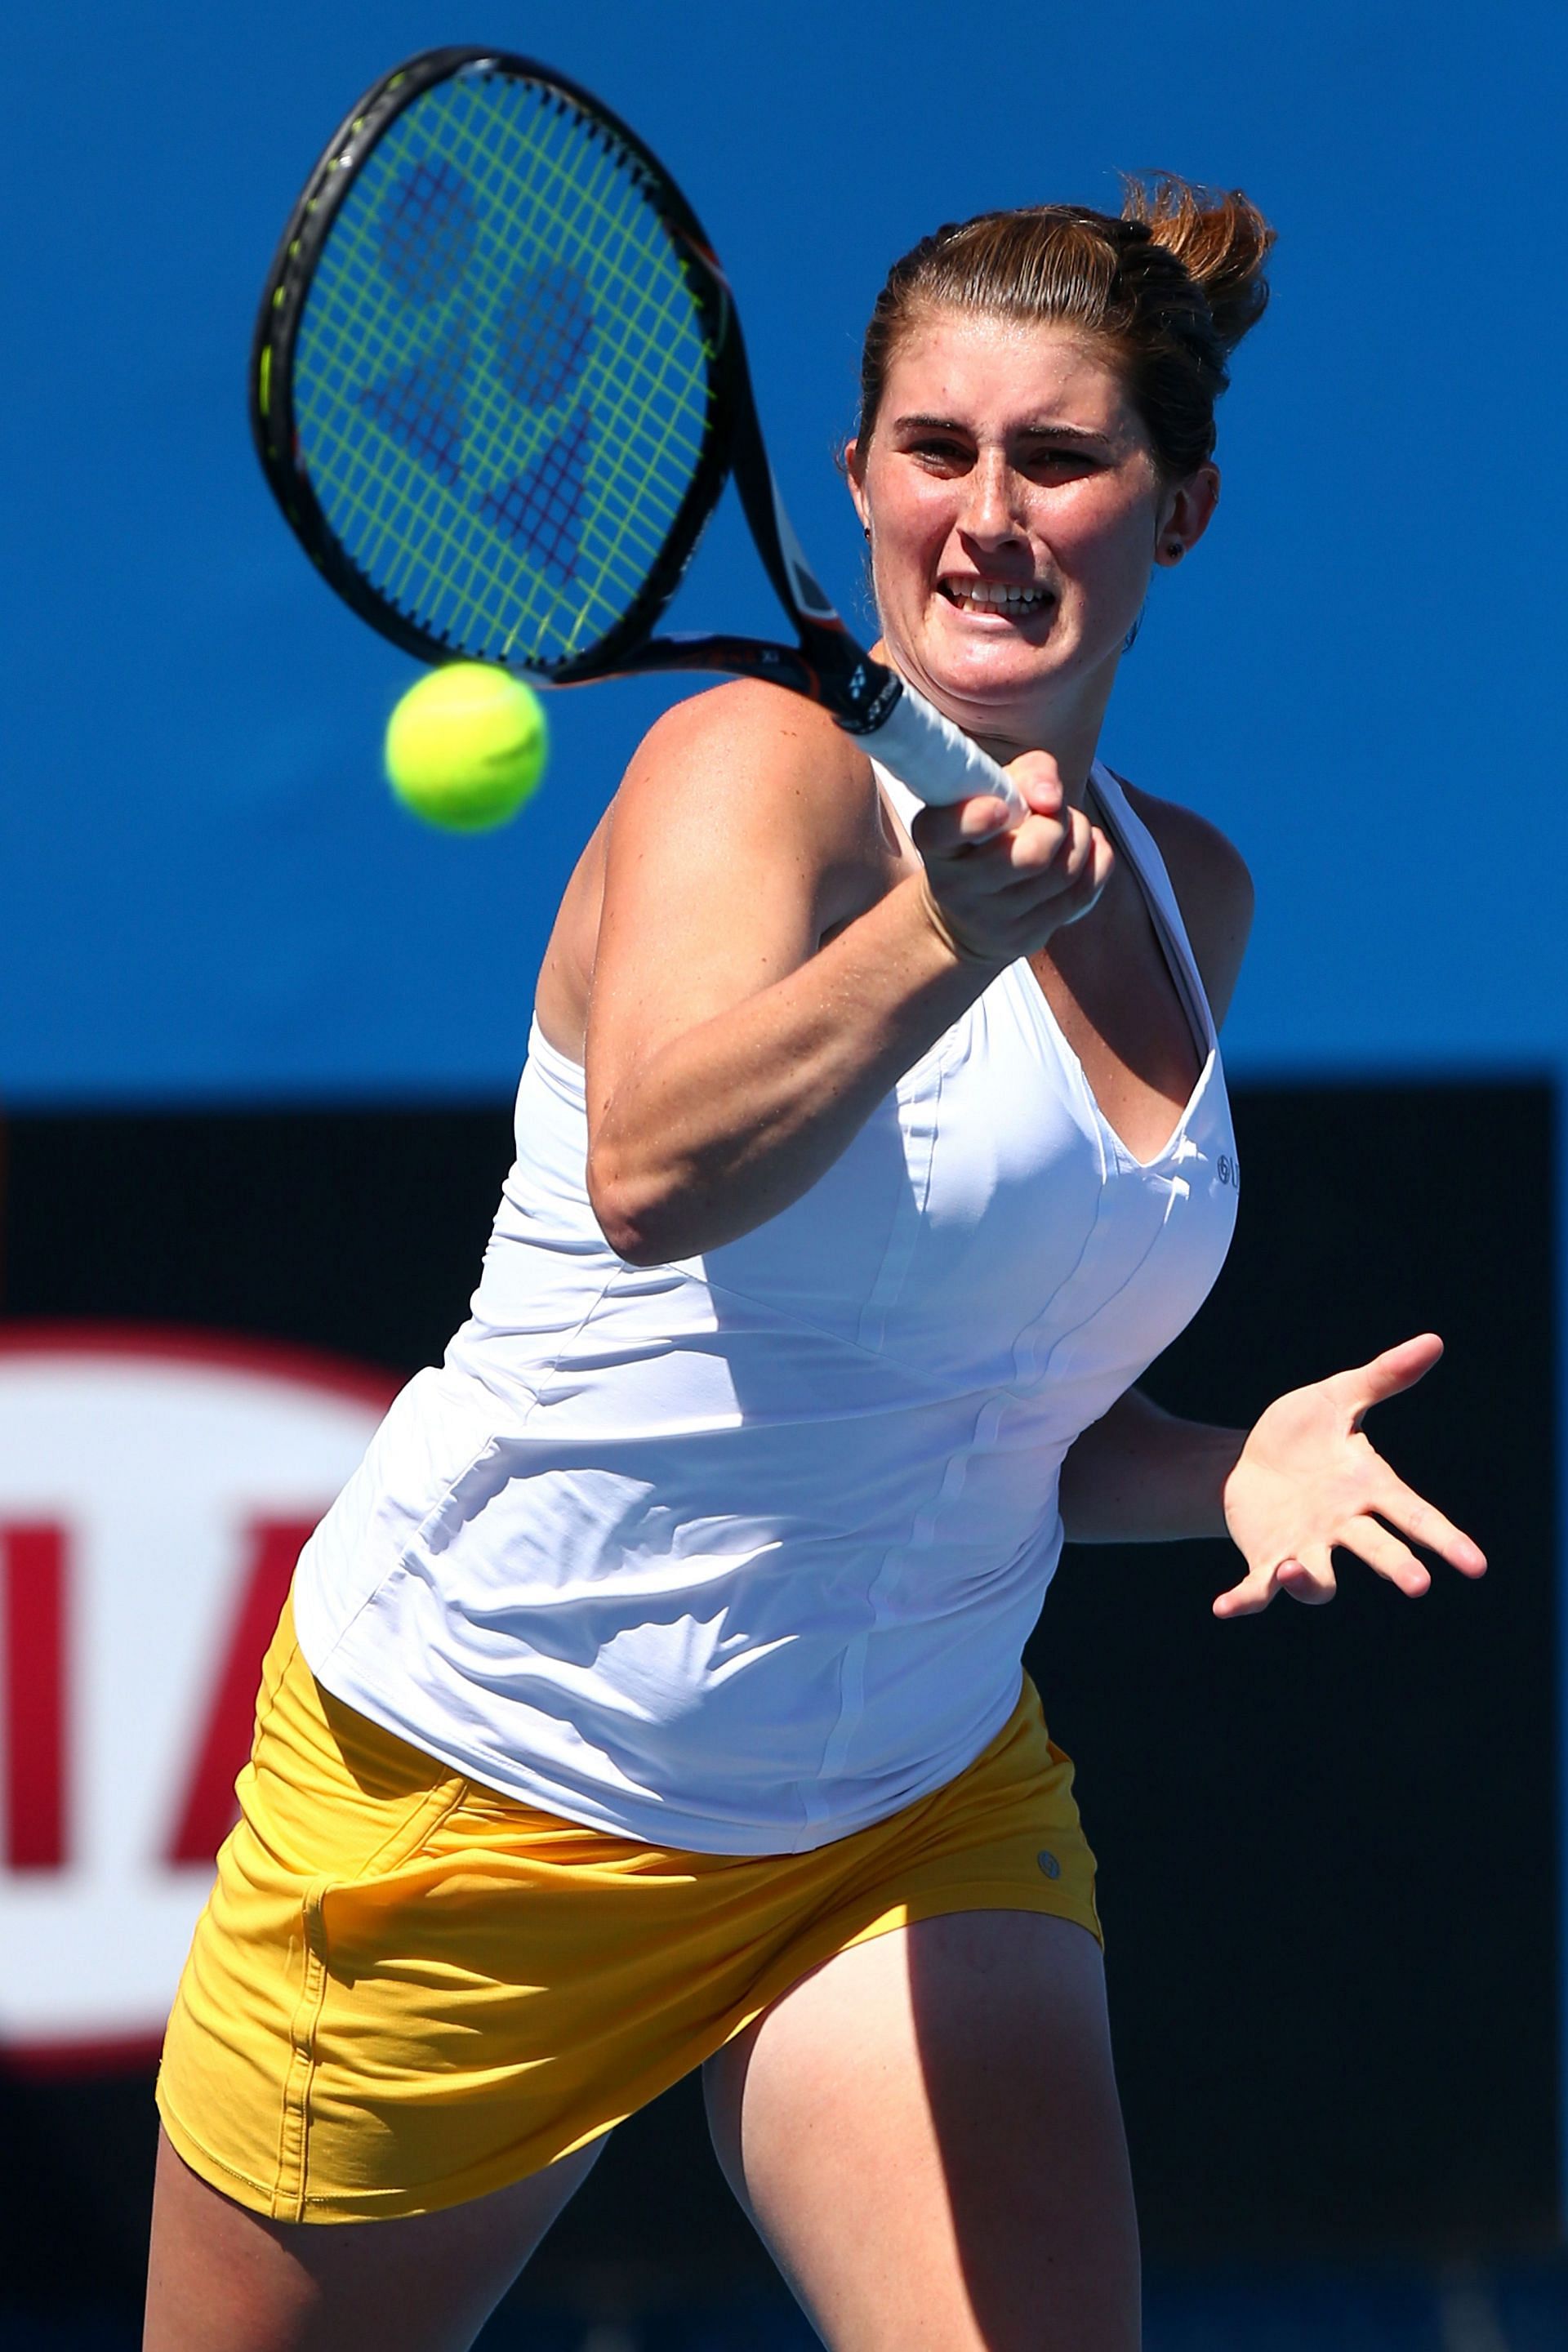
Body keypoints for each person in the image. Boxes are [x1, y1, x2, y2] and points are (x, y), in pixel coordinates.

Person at [143, 178, 1486, 2352]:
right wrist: (943, 931)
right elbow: (663, 1174)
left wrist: (1222, 1465)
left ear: (1183, 505)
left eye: (1060, 458)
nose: (987, 514)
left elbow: (989, 1416)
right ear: (853, 479)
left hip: (902, 1808)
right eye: (935, 453)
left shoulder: (1184, 891)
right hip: (483, 1809)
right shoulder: (746, 769)